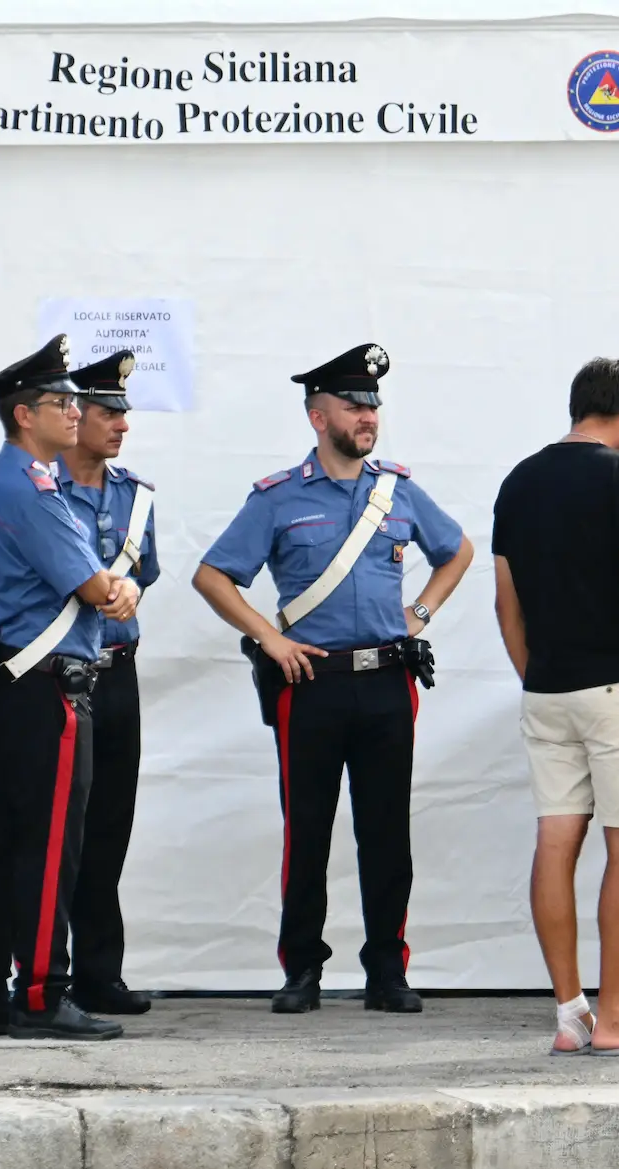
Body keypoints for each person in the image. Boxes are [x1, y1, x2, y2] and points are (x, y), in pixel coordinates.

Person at [193, 344, 475, 1017]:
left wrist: (421, 613)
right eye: (354, 405)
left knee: (386, 833)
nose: (368, 415)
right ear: (318, 416)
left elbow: (457, 549)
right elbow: (213, 574)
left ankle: (387, 969)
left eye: (373, 404)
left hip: (384, 682)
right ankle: (301, 970)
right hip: (310, 683)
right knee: (308, 832)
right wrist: (269, 637)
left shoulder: (398, 490)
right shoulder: (278, 498)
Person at [492, 357, 619, 1059]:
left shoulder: (519, 479)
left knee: (556, 841)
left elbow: (505, 599)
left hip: (548, 688)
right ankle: (616, 1016)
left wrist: (536, 674)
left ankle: (569, 1012)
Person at [0, 335, 134, 1042]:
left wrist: (110, 588)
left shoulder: (13, 481)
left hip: (24, 685)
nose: (75, 411)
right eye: (62, 402)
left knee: (13, 837)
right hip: (48, 688)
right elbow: (93, 584)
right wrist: (112, 589)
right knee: (48, 844)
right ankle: (38, 992)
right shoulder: (27, 487)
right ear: (24, 414)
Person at [52, 350, 160, 1018]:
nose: (120, 424)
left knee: (109, 828)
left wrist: (128, 598)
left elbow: (142, 576)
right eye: (107, 412)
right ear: (74, 416)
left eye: (123, 413)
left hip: (119, 674)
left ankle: (99, 972)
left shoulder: (134, 496)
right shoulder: (39, 491)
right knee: (59, 831)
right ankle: (45, 975)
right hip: (63, 679)